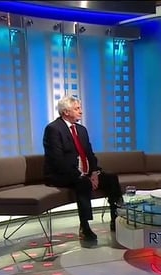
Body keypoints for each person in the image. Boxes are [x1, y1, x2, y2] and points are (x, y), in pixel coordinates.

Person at [43, 96, 123, 241]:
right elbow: (57, 160)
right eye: (77, 109)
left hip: (85, 173)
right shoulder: (53, 129)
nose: (81, 112)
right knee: (83, 183)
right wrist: (82, 176)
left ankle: (116, 218)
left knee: (111, 178)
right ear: (66, 112)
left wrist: (94, 172)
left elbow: (90, 154)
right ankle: (84, 226)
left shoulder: (81, 130)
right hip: (61, 174)